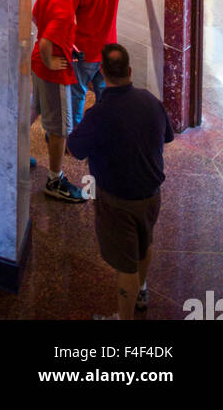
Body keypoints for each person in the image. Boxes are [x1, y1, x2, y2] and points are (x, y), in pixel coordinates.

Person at [68, 43, 174, 320]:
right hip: (151, 193)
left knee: (125, 265)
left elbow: (75, 148)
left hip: (118, 199)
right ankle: (142, 288)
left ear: (102, 71)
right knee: (145, 242)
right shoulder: (151, 102)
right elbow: (167, 137)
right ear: (129, 70)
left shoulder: (100, 114)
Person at [31, 0, 86, 203]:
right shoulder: (64, 11)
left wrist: (60, 42)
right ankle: (55, 179)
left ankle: (11, 151)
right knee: (60, 128)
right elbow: (45, 42)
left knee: (34, 110)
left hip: (36, 65)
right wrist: (51, 60)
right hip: (53, 72)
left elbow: (36, 18)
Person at [71, 0, 141, 126]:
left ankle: (74, 135)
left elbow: (67, 14)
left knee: (77, 94)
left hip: (83, 49)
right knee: (105, 93)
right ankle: (104, 129)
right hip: (108, 49)